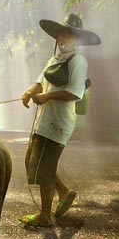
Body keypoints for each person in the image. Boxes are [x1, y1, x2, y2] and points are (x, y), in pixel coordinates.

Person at [19, 13, 101, 227]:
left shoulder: (78, 61)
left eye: (69, 34)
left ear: (78, 40)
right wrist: (29, 92)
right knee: (33, 162)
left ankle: (45, 215)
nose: (63, 37)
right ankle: (64, 192)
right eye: (61, 33)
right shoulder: (54, 59)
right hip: (44, 121)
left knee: (43, 166)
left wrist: (47, 96)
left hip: (58, 123)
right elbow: (40, 83)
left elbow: (75, 93)